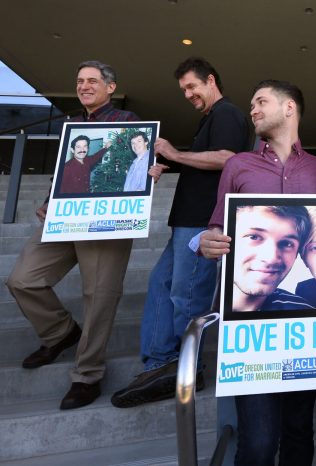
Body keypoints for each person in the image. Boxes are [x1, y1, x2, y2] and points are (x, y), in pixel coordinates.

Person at [199, 79, 316, 466]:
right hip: (248, 325)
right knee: (257, 441)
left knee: (299, 431)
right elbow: (216, 226)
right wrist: (207, 241)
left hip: (308, 321)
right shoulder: (238, 165)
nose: (251, 109)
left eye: (261, 102)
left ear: (289, 108)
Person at [111, 57, 249, 407]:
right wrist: (165, 164)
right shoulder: (209, 119)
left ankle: (187, 368)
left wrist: (175, 153)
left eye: (192, 86)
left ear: (211, 80)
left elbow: (227, 158)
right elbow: (203, 161)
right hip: (185, 220)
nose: (188, 94)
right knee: (161, 285)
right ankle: (160, 363)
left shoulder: (227, 113)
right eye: (184, 89)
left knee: (187, 298)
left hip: (203, 221)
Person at [6, 60, 139, 410]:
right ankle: (60, 333)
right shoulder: (72, 124)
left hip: (107, 222)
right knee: (22, 279)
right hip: (64, 218)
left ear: (111, 87)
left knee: (99, 296)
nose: (84, 86)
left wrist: (150, 168)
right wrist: (50, 201)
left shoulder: (129, 123)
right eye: (80, 81)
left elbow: (135, 165)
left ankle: (87, 376)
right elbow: (65, 172)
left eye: (93, 81)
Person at [230, 205, 315, 313]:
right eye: (254, 237)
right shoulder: (203, 302)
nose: (271, 258)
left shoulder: (304, 314)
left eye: (287, 243)